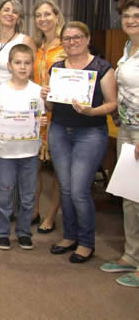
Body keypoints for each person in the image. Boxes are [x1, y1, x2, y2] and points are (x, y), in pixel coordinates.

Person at [46, 21, 116, 263]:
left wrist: (91, 111)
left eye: (77, 37)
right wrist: (46, 97)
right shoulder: (57, 68)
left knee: (78, 190)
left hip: (90, 133)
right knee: (65, 188)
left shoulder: (102, 67)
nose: (72, 42)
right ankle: (69, 236)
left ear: (87, 39)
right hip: (59, 131)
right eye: (67, 38)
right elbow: (51, 107)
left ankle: (86, 242)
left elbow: (112, 103)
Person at [0, 45, 47, 251]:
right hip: (6, 153)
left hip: (30, 152)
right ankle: (2, 233)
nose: (22, 67)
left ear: (32, 65)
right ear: (10, 65)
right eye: (18, 63)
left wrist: (43, 122)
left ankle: (23, 232)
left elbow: (40, 118)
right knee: (4, 194)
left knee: (28, 195)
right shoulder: (2, 90)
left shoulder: (38, 91)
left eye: (27, 63)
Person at [100, 0, 139, 287]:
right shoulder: (128, 47)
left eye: (137, 16)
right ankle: (131, 255)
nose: (131, 20)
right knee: (129, 196)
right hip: (126, 127)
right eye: (127, 16)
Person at [31, 0, 66, 234]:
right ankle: (33, 210)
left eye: (47, 14)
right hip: (37, 114)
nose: (43, 19)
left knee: (57, 169)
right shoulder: (38, 46)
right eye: (39, 15)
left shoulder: (67, 45)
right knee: (33, 165)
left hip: (61, 115)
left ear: (57, 16)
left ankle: (52, 215)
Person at [0, 0, 36, 101]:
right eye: (6, 10)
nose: (10, 14)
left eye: (15, 12)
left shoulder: (25, 41)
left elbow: (32, 74)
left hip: (17, 98)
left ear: (18, 19)